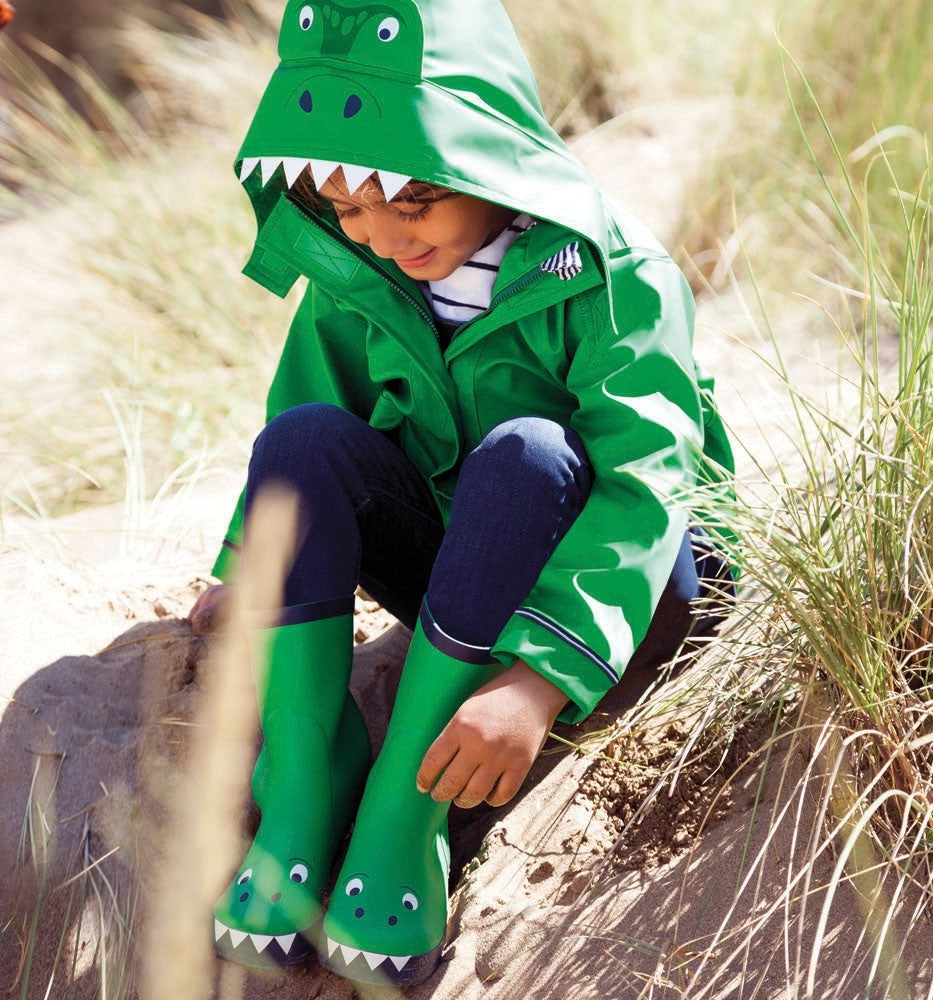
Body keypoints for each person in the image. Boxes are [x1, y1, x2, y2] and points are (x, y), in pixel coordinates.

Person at [193, 0, 737, 987]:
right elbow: (309, 405)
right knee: (304, 436)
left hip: (628, 595)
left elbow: (646, 487)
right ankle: (310, 784)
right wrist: (250, 567)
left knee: (526, 449)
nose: (384, 234)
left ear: (490, 154)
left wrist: (533, 683)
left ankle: (407, 811)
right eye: (347, 207)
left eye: (414, 202)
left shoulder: (615, 277)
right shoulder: (362, 272)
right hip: (464, 569)